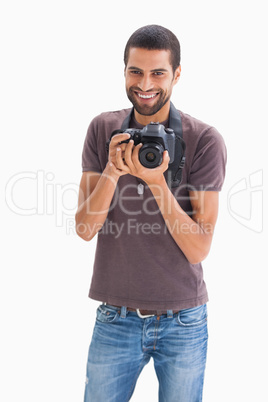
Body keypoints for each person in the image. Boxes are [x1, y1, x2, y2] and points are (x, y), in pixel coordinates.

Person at [75, 24, 227, 402]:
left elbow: (198, 249)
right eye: (135, 71)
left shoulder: (204, 140)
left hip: (184, 320)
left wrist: (157, 182)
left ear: (177, 74)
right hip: (115, 316)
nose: (145, 84)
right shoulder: (103, 130)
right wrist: (113, 169)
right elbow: (84, 228)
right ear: (124, 70)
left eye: (158, 72)